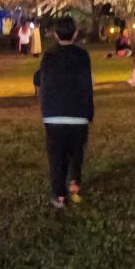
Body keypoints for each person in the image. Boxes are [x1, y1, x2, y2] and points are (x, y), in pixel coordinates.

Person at [33, 17, 94, 209]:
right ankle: (74, 182)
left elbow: (40, 78)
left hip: (54, 114)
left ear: (55, 34)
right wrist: (88, 112)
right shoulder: (82, 56)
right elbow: (87, 85)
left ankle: (59, 196)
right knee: (76, 151)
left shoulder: (49, 56)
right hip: (78, 113)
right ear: (75, 34)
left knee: (57, 156)